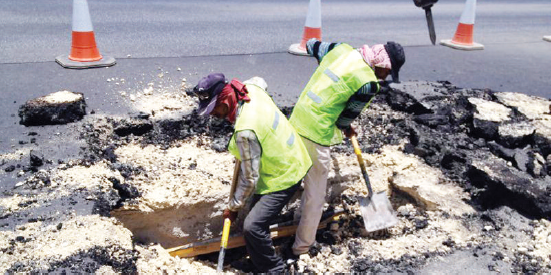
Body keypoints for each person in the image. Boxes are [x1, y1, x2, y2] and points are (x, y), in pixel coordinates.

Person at [288, 38, 405, 257]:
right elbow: (343, 120)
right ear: (381, 63)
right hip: (315, 134)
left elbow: (313, 45)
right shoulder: (368, 83)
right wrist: (346, 126)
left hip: (295, 121)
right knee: (316, 195)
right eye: (387, 71)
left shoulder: (341, 50)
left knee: (294, 178)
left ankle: (292, 223)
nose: (385, 77)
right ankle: (301, 248)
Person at [190, 73, 312, 273]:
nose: (213, 115)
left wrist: (233, 207)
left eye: (214, 109)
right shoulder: (250, 89)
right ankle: (258, 261)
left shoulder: (246, 132)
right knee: (254, 221)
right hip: (288, 155)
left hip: (285, 173)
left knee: (252, 226)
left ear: (225, 99)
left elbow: (249, 180)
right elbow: (259, 80)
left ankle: (275, 269)